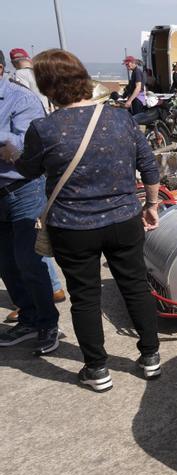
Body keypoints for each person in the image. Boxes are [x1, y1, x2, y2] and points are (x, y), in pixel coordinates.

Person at [9, 49, 161, 389]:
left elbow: (28, 170)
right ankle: (150, 357)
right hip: (124, 220)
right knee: (135, 286)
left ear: (47, 87)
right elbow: (149, 166)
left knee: (86, 297)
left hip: (73, 226)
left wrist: (12, 154)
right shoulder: (120, 117)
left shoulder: (43, 128)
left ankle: (97, 369)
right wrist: (151, 205)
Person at [0, 49, 60, 354]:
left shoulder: (20, 99)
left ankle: (49, 323)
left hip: (23, 188)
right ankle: (29, 317)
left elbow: (25, 146)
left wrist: (5, 143)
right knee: (6, 263)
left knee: (29, 259)